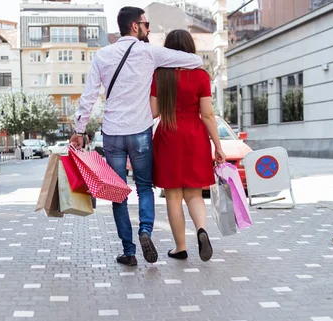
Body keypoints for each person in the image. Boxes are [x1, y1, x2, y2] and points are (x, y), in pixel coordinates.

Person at [70, 7, 203, 266]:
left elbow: (88, 98)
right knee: (144, 188)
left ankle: (129, 252)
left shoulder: (102, 55)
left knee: (118, 193)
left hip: (112, 134)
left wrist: (78, 131)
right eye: (146, 24)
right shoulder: (149, 52)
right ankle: (145, 231)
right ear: (135, 26)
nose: (148, 29)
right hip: (140, 132)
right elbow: (194, 61)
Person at [150, 29, 226, 262]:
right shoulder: (201, 76)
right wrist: (218, 146)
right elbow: (208, 115)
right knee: (194, 194)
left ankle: (180, 248)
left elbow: (153, 112)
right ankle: (201, 230)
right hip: (194, 137)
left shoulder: (159, 75)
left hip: (168, 137)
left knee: (173, 197)